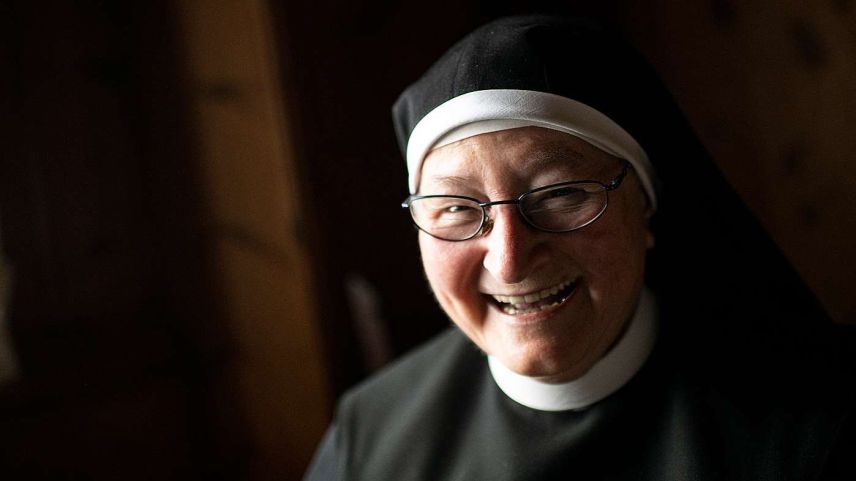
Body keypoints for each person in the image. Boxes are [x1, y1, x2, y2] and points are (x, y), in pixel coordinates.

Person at [304, 15, 855, 480]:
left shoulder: (817, 426)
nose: (510, 259)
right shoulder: (368, 440)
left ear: (646, 206)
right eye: (456, 208)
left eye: (560, 194)